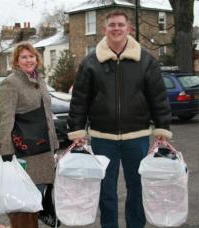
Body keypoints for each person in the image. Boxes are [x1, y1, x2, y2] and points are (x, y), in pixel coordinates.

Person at [67, 11, 172, 228]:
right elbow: (79, 100)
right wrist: (77, 131)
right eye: (112, 25)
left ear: (128, 29)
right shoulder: (90, 62)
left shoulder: (146, 61)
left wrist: (162, 129)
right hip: (102, 137)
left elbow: (158, 98)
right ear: (105, 29)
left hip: (138, 137)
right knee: (106, 191)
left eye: (121, 25)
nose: (116, 28)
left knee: (138, 188)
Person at [0, 41, 59, 228]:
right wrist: (6, 150)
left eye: (31, 56)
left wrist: (54, 143)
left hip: (44, 150)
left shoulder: (39, 81)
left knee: (36, 201)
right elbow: (5, 118)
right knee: (22, 204)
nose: (29, 60)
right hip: (25, 152)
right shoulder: (11, 83)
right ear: (16, 61)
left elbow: (47, 115)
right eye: (24, 57)